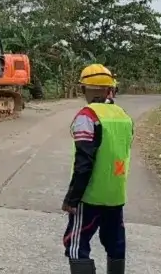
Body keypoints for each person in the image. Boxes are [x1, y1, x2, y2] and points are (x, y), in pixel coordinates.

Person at [62, 63, 133, 274]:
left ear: (85, 89)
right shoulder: (123, 116)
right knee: (115, 243)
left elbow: (84, 163)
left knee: (76, 245)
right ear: (109, 89)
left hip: (90, 196)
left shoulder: (87, 116)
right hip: (115, 195)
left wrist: (72, 198)